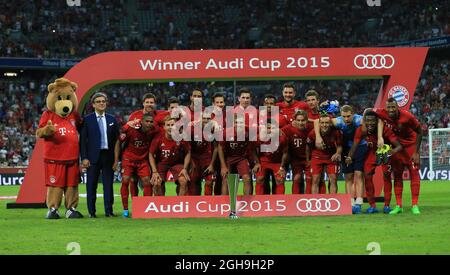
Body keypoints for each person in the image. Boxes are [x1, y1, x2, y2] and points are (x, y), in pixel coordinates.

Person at [346, 110, 402, 213]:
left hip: (385, 153)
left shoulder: (385, 130)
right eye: (368, 121)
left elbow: (399, 146)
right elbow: (355, 144)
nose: (370, 123)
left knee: (386, 176)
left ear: (377, 121)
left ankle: (387, 205)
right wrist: (350, 156)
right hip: (372, 153)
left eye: (372, 121)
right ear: (364, 121)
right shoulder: (361, 130)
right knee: (367, 175)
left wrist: (391, 151)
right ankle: (372, 206)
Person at [314, 105, 367, 213]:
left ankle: (359, 203)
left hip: (360, 146)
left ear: (353, 114)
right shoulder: (338, 121)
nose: (346, 119)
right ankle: (351, 203)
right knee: (348, 176)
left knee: (358, 174)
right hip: (345, 148)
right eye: (344, 116)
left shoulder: (359, 120)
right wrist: (318, 136)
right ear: (341, 115)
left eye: (348, 116)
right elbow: (316, 121)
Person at [374, 98, 423, 214]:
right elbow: (368, 111)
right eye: (389, 107)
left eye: (393, 107)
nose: (391, 110)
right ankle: (399, 205)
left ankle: (415, 205)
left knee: (414, 173)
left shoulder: (407, 116)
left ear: (397, 107)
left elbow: (420, 131)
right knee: (397, 175)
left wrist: (416, 152)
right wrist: (380, 136)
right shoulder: (383, 113)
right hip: (397, 147)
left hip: (410, 146)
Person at [80, 92, 120, 218]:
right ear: (93, 104)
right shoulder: (87, 120)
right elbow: (82, 141)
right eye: (98, 101)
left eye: (103, 101)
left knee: (108, 186)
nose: (102, 103)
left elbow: (117, 141)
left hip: (108, 157)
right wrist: (84, 158)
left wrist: (116, 160)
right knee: (91, 186)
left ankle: (109, 211)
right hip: (92, 157)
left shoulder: (112, 119)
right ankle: (92, 212)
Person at [119, 113, 158, 217]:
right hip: (129, 159)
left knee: (147, 181)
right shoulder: (132, 129)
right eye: (147, 121)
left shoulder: (153, 130)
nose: (149, 123)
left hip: (142, 161)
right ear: (142, 121)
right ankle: (126, 210)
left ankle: (146, 208)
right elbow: (119, 138)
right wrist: (127, 125)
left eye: (151, 122)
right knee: (126, 180)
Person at [149, 116, 191, 196]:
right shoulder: (158, 138)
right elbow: (151, 154)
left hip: (177, 163)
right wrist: (154, 171)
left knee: (183, 180)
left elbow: (188, 153)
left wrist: (185, 168)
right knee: (156, 182)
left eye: (173, 125)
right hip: (162, 163)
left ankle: (179, 205)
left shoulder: (182, 138)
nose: (170, 127)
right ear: (164, 127)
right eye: (168, 125)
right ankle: (160, 204)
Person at [218, 117, 260, 196]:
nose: (239, 125)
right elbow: (220, 148)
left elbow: (253, 148)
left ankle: (247, 204)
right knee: (225, 179)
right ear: (234, 124)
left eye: (241, 123)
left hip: (241, 158)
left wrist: (257, 162)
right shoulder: (226, 132)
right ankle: (224, 204)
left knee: (247, 178)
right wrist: (223, 166)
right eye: (236, 123)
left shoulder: (249, 132)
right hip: (228, 158)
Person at [306, 114, 343, 194]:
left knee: (333, 179)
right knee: (315, 180)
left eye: (326, 123)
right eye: (322, 123)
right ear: (319, 124)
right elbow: (308, 147)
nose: (324, 125)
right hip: (317, 157)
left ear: (330, 123)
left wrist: (337, 153)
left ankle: (333, 201)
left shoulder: (336, 132)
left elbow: (339, 146)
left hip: (331, 157)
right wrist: (308, 159)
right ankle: (315, 202)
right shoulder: (313, 133)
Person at [282, 110, 312, 194]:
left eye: (303, 120)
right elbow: (278, 133)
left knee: (310, 178)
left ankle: (309, 199)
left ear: (307, 120)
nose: (300, 122)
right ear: (294, 120)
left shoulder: (311, 128)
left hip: (309, 159)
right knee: (296, 178)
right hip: (295, 159)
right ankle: (295, 200)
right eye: (298, 120)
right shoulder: (287, 129)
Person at [255, 120, 288, 195]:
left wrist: (282, 167)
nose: (270, 130)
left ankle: (280, 200)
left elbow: (285, 153)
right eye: (268, 128)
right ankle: (259, 200)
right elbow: (253, 150)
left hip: (277, 162)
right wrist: (257, 163)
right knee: (260, 179)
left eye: (273, 128)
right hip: (263, 161)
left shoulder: (282, 138)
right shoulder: (259, 137)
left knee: (280, 179)